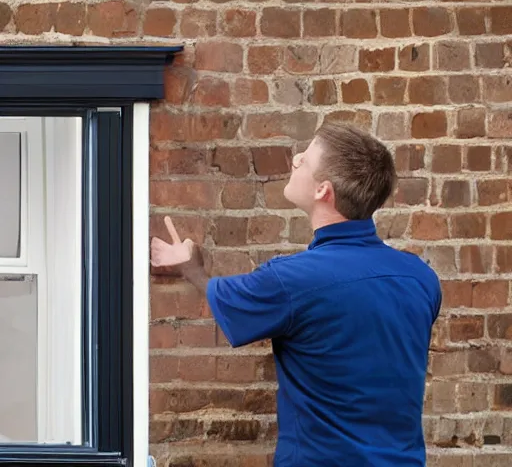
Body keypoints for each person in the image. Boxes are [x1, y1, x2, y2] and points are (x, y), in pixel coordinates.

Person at [151, 123, 442, 467]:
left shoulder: (293, 280)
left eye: (306, 157)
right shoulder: (421, 278)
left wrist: (191, 268)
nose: (295, 158)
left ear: (323, 191)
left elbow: (230, 302)